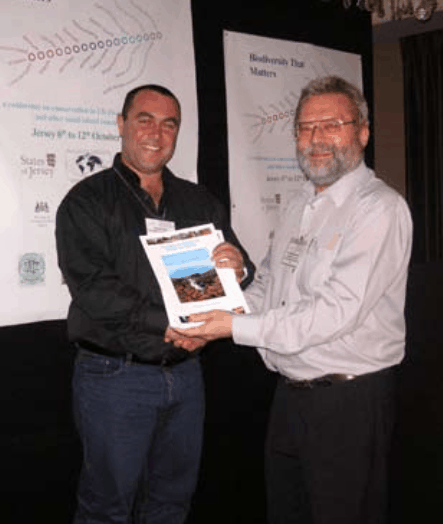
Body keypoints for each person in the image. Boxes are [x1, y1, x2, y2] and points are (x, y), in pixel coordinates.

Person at [174, 76, 413, 524]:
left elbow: (334, 313)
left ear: (362, 132)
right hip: (291, 397)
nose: (316, 138)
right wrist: (218, 310)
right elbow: (271, 286)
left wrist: (231, 327)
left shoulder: (379, 209)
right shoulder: (297, 204)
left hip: (349, 402)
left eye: (332, 124)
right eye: (305, 128)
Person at [55, 84, 254, 524]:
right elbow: (93, 288)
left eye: (169, 124)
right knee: (107, 508)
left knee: (171, 503)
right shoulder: (86, 201)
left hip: (186, 378)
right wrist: (170, 325)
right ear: (121, 124)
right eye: (144, 119)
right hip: (115, 378)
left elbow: (240, 267)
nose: (156, 133)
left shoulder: (198, 201)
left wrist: (238, 267)